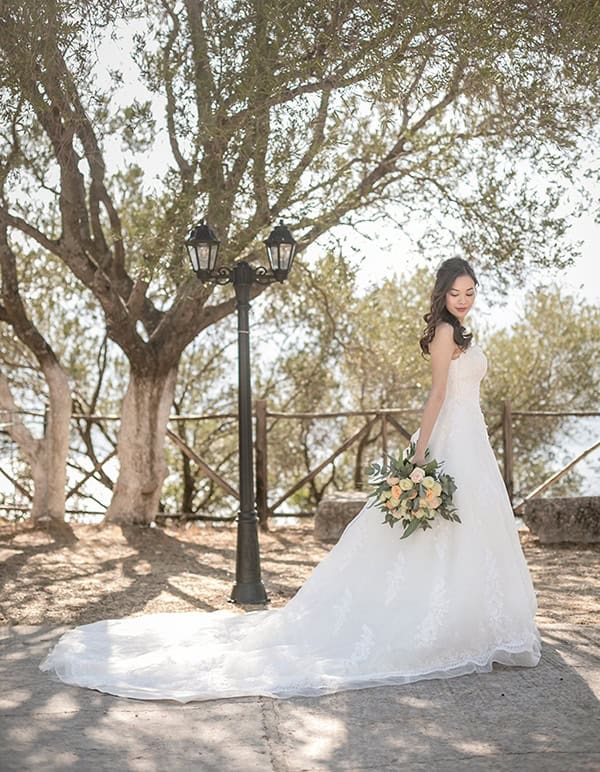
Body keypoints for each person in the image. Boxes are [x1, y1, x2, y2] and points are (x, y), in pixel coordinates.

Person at [40, 256, 542, 702]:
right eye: (455, 292)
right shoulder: (444, 333)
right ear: (441, 294)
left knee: (462, 534)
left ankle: (470, 623)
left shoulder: (460, 331)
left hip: (471, 441)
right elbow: (435, 397)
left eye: (470, 292)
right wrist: (418, 459)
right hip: (449, 439)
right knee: (437, 533)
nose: (463, 300)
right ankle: (447, 627)